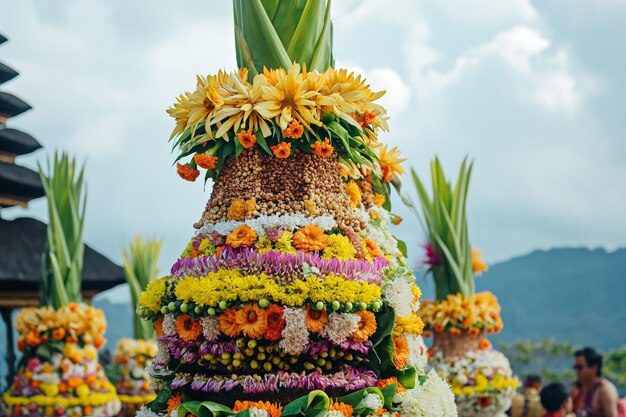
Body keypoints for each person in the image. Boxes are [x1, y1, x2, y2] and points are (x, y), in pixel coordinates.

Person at [574, 347, 619, 417]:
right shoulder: (586, 387)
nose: (577, 371)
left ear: (594, 368)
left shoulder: (605, 390)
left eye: (580, 368)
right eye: (575, 367)